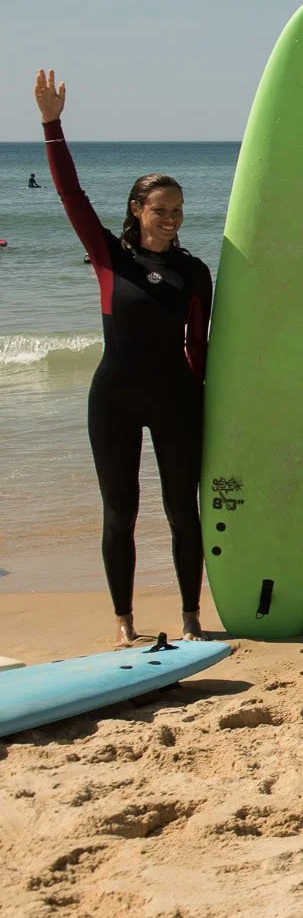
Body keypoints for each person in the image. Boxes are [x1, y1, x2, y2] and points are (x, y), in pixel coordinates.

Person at [36, 70, 211, 646]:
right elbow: (70, 195)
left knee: (183, 512)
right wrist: (51, 123)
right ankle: (124, 622)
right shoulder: (110, 256)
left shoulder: (194, 272)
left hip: (176, 398)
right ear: (136, 209)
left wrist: (206, 398)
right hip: (113, 396)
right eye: (161, 208)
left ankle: (190, 617)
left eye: (178, 209)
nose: (172, 217)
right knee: (121, 514)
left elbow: (200, 344)